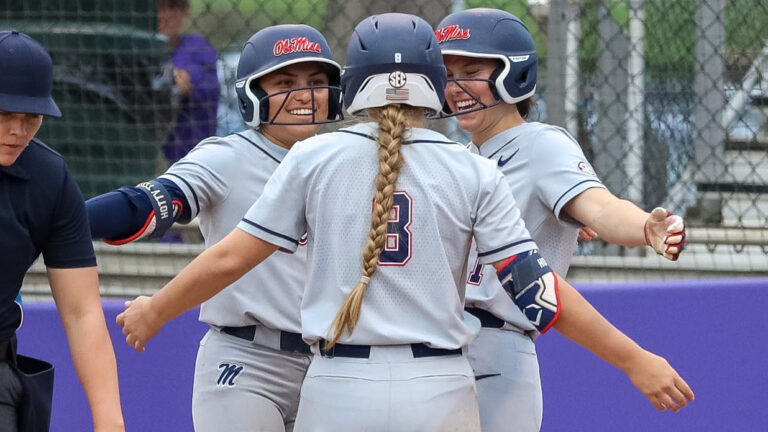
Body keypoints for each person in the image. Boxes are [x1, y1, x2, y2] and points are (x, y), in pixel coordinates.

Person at [116, 13, 693, 431]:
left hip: (336, 381)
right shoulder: (470, 168)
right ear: (434, 85)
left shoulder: (311, 156)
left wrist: (158, 308)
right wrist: (633, 359)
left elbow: (229, 258)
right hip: (441, 381)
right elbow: (541, 291)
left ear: (352, 83)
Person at [436, 8, 690, 432]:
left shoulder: (541, 144)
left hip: (496, 347)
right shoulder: (459, 158)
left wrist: (647, 227)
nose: (456, 85)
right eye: (447, 73)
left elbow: (601, 207)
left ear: (512, 72)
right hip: (439, 348)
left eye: (471, 69)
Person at [86, 24, 343, 431]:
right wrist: (67, 222)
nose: (304, 95)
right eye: (285, 81)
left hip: (333, 365)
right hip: (246, 359)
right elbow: (147, 206)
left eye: (316, 82)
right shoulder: (226, 158)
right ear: (253, 92)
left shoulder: (348, 163)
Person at [0, 30, 124, 432]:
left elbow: (82, 313)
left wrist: (110, 424)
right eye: (5, 114)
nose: (18, 130)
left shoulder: (49, 179)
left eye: (31, 117)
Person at [158, 0, 220, 165]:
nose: (163, 15)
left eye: (171, 7)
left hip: (191, 159)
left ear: (185, 10)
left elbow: (186, 84)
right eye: (157, 8)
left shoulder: (196, 47)